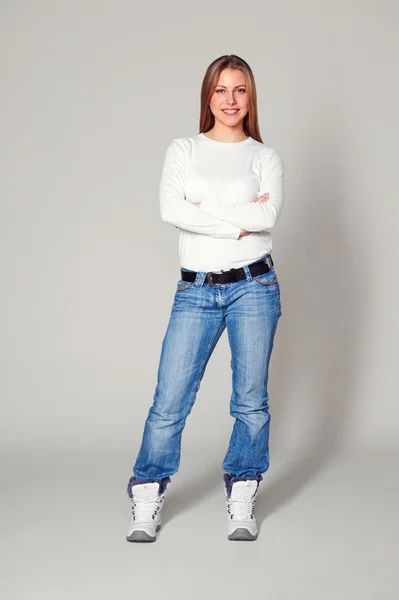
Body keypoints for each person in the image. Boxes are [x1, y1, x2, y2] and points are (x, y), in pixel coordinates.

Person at [126, 54, 284, 543]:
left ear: (250, 97)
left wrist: (202, 209)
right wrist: (238, 217)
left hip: (254, 288)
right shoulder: (184, 149)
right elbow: (168, 208)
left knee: (251, 402)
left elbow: (268, 217)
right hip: (195, 290)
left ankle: (242, 492)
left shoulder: (265, 157)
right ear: (207, 96)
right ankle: (147, 494)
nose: (230, 100)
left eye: (239, 90)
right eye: (221, 90)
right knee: (169, 401)